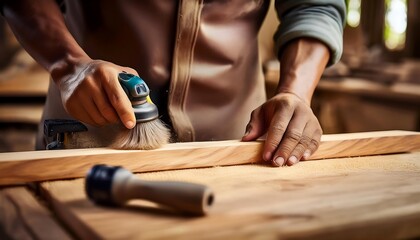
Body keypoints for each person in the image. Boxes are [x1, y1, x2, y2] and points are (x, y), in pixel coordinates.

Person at [1, 0, 345, 167]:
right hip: (91, 136)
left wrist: (294, 92)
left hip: (237, 145)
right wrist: (68, 65)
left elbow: (314, 6)